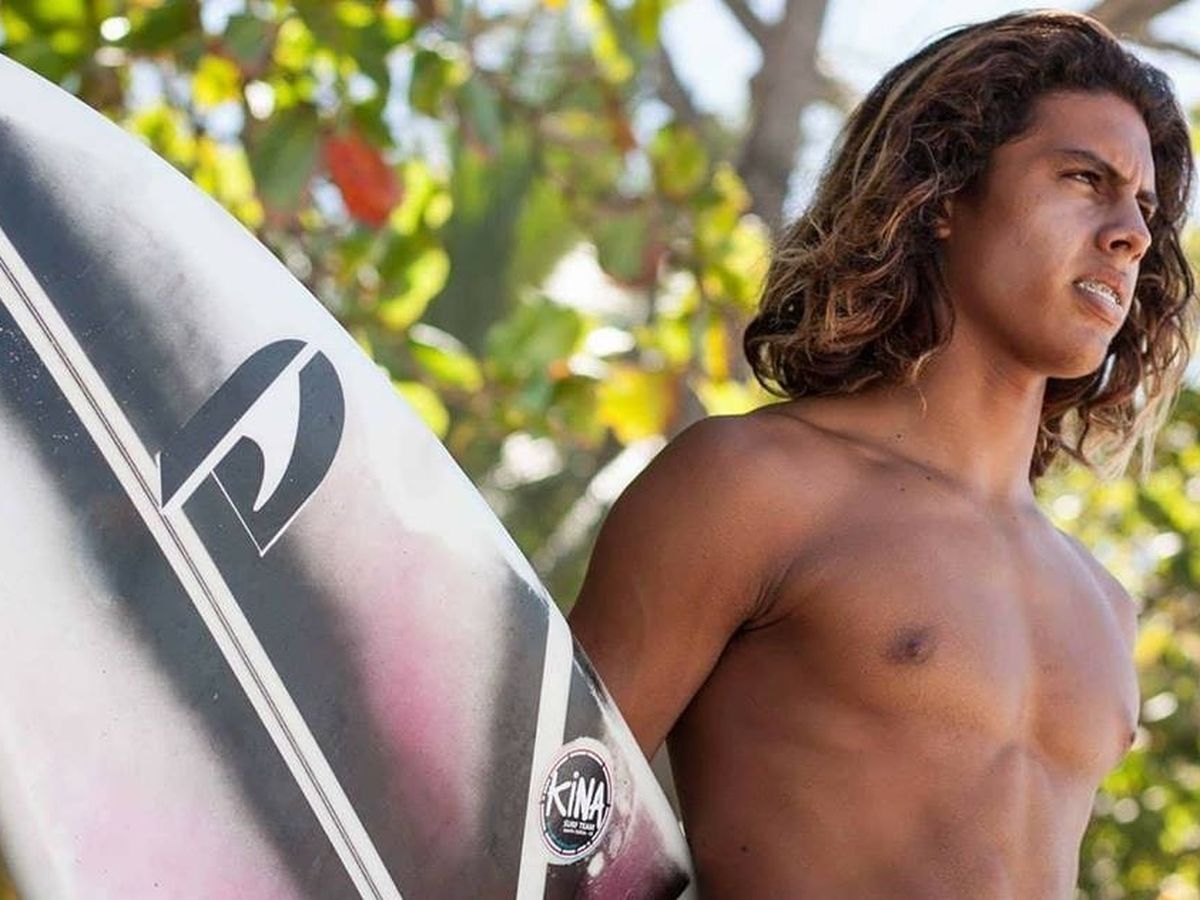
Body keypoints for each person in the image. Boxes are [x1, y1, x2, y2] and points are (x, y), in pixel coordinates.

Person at [567, 10, 1197, 898]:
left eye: (1145, 208)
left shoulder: (1103, 606)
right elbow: (535, 837)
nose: (1131, 233)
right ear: (941, 193)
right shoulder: (753, 488)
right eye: (1084, 178)